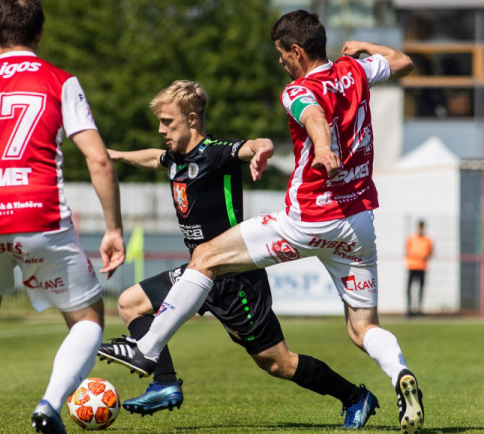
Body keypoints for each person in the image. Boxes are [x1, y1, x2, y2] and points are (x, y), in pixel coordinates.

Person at [97, 10, 424, 433]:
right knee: (364, 328)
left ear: (296, 50)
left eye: (282, 55)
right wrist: (366, 48)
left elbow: (314, 116)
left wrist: (322, 148)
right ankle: (400, 375)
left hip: (309, 216)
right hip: (358, 221)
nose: (281, 63)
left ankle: (147, 350)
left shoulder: (297, 90)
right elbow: (402, 62)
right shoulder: (355, 71)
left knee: (207, 259)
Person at [100, 80, 376, 428]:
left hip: (236, 277)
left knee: (278, 363)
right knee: (130, 303)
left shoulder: (217, 152)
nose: (161, 130)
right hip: (199, 272)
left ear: (192, 119)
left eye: (167, 123)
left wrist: (262, 150)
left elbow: (254, 145)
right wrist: (115, 155)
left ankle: (355, 396)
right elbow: (152, 159)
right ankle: (165, 383)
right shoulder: (174, 158)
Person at [0, 1, 125, 433]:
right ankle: (50, 404)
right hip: (41, 216)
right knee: (87, 318)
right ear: (40, 34)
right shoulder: (59, 81)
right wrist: (113, 228)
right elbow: (100, 160)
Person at [404, 220, 433, 317]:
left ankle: (419, 309)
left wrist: (424, 256)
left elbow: (430, 252)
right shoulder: (411, 239)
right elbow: (407, 251)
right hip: (412, 266)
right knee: (409, 289)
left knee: (420, 289)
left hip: (422, 267)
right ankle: (409, 309)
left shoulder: (427, 240)